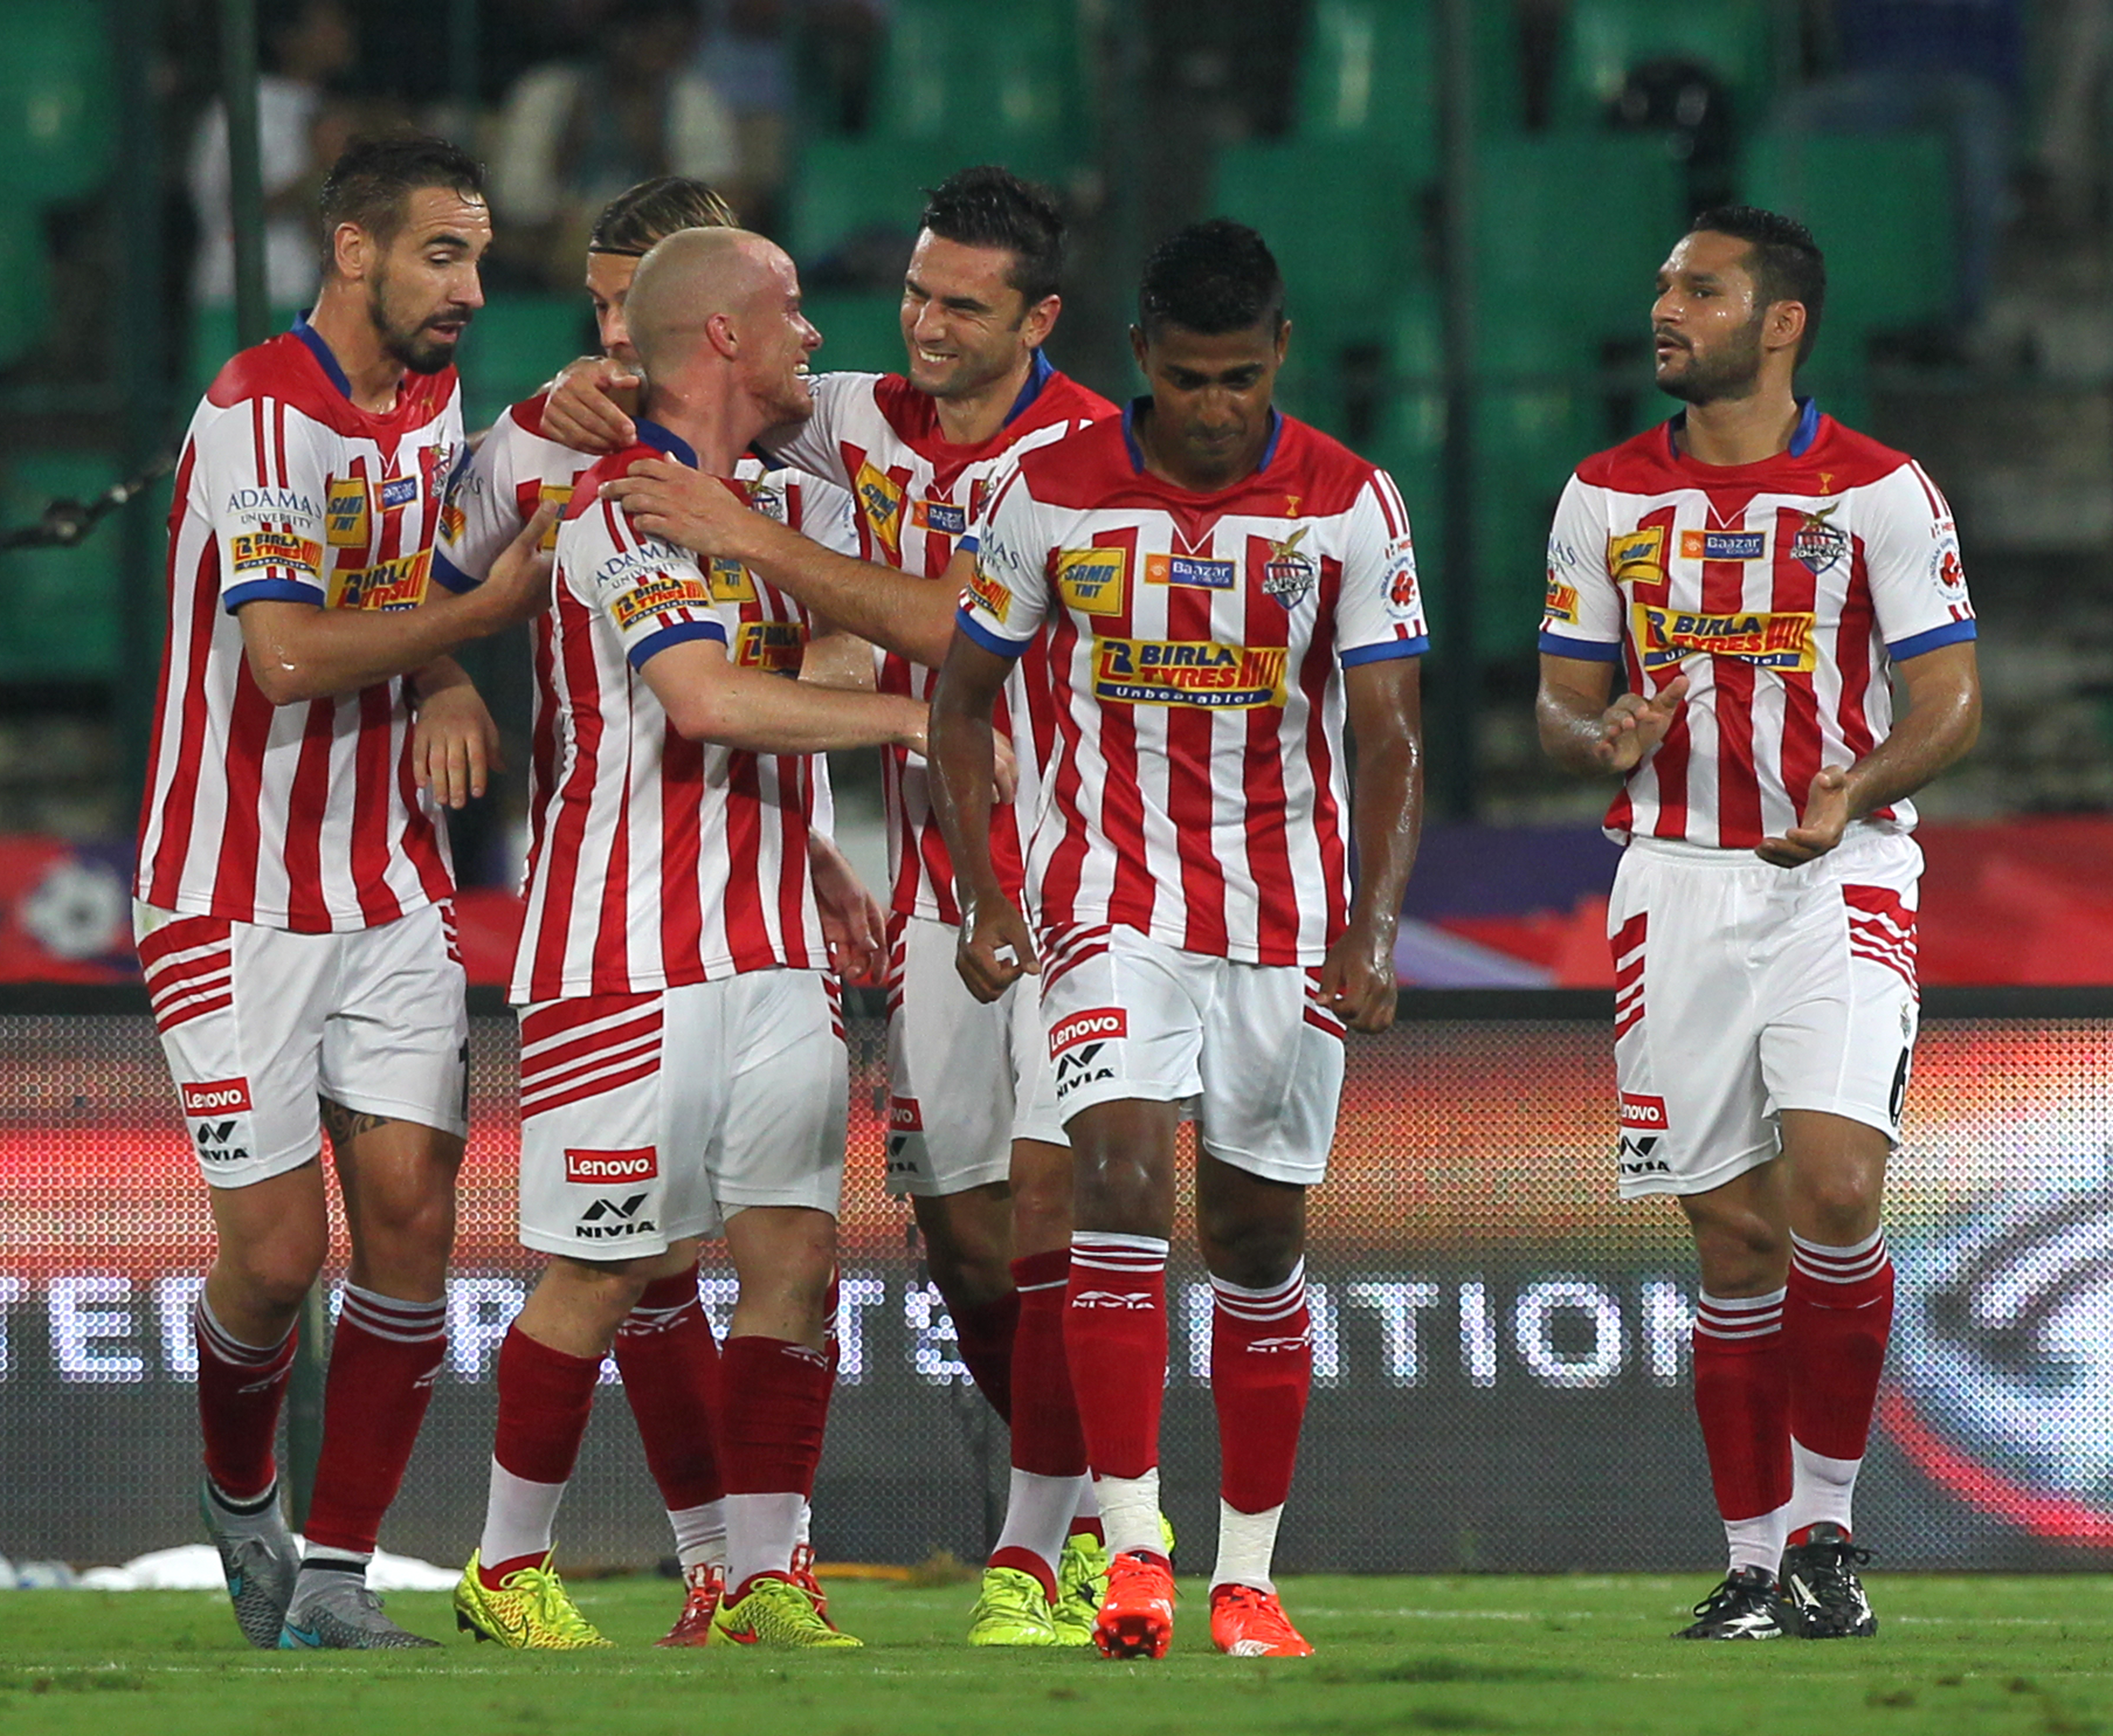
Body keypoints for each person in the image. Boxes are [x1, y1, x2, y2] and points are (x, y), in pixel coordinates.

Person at [546, 166, 1122, 1648]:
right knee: (969, 1243)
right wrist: (588, 390)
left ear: (1036, 320)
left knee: (1067, 1211)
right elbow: (697, 373)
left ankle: (1047, 1550)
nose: (921, 325)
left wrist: (756, 549)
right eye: (916, 293)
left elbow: (962, 627)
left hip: (1085, 876)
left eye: (962, 306)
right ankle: (1053, 1520)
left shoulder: (1083, 457)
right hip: (936, 890)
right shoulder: (849, 416)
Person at [928, 220, 1428, 1660]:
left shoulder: (1345, 501)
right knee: (1115, 1176)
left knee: (1260, 1237)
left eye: (1239, 377)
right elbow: (959, 709)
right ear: (1140, 356)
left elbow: (1388, 737)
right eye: (1189, 376)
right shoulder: (1047, 496)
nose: (1214, 406)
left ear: (1276, 355)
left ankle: (1247, 1579)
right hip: (1107, 905)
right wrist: (985, 891)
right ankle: (1135, 1549)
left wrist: (1374, 928)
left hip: (1282, 921)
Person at [447, 226, 937, 1652]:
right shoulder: (614, 512)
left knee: (793, 1254)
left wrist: (847, 692)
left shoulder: (780, 513)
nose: (811, 336)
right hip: (625, 954)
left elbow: (837, 647)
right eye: (787, 310)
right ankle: (502, 1567)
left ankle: (765, 1580)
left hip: (771, 949)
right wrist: (905, 716)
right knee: (604, 1270)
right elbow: (710, 700)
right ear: (720, 336)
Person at [1534, 205, 1983, 1640]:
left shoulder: (1881, 493)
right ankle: (1749, 1563)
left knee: (1836, 1193)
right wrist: (1591, 731)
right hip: (1667, 881)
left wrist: (1857, 783)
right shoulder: (1599, 496)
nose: (1665, 306)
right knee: (1727, 1240)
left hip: (1836, 869)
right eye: (1664, 282)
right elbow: (1553, 707)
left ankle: (1826, 1535)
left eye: (1701, 288)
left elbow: (1949, 704)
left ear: (1779, 323)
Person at [137, 133, 551, 1650]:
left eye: (482, 256)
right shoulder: (258, 412)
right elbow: (291, 653)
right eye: (443, 253)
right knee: (273, 1257)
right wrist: (481, 616)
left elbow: (386, 572)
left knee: (410, 1224)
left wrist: (442, 666)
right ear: (353, 250)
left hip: (387, 883)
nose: (469, 287)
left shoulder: (431, 404)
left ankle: (334, 1574)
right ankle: (242, 1494)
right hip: (225, 891)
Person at [492, 0, 746, 288]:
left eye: (665, 43)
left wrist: (657, 154)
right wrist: (565, 154)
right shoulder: (548, 91)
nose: (650, 52)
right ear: (611, 36)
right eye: (642, 36)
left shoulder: (692, 98)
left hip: (660, 243)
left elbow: (717, 208)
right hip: (562, 237)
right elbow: (514, 202)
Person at [187, 0, 361, 316]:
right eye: (328, 26)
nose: (342, 35)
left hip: (308, 300)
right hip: (238, 300)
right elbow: (237, 209)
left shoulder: (326, 107)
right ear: (287, 38)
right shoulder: (244, 105)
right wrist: (325, 170)